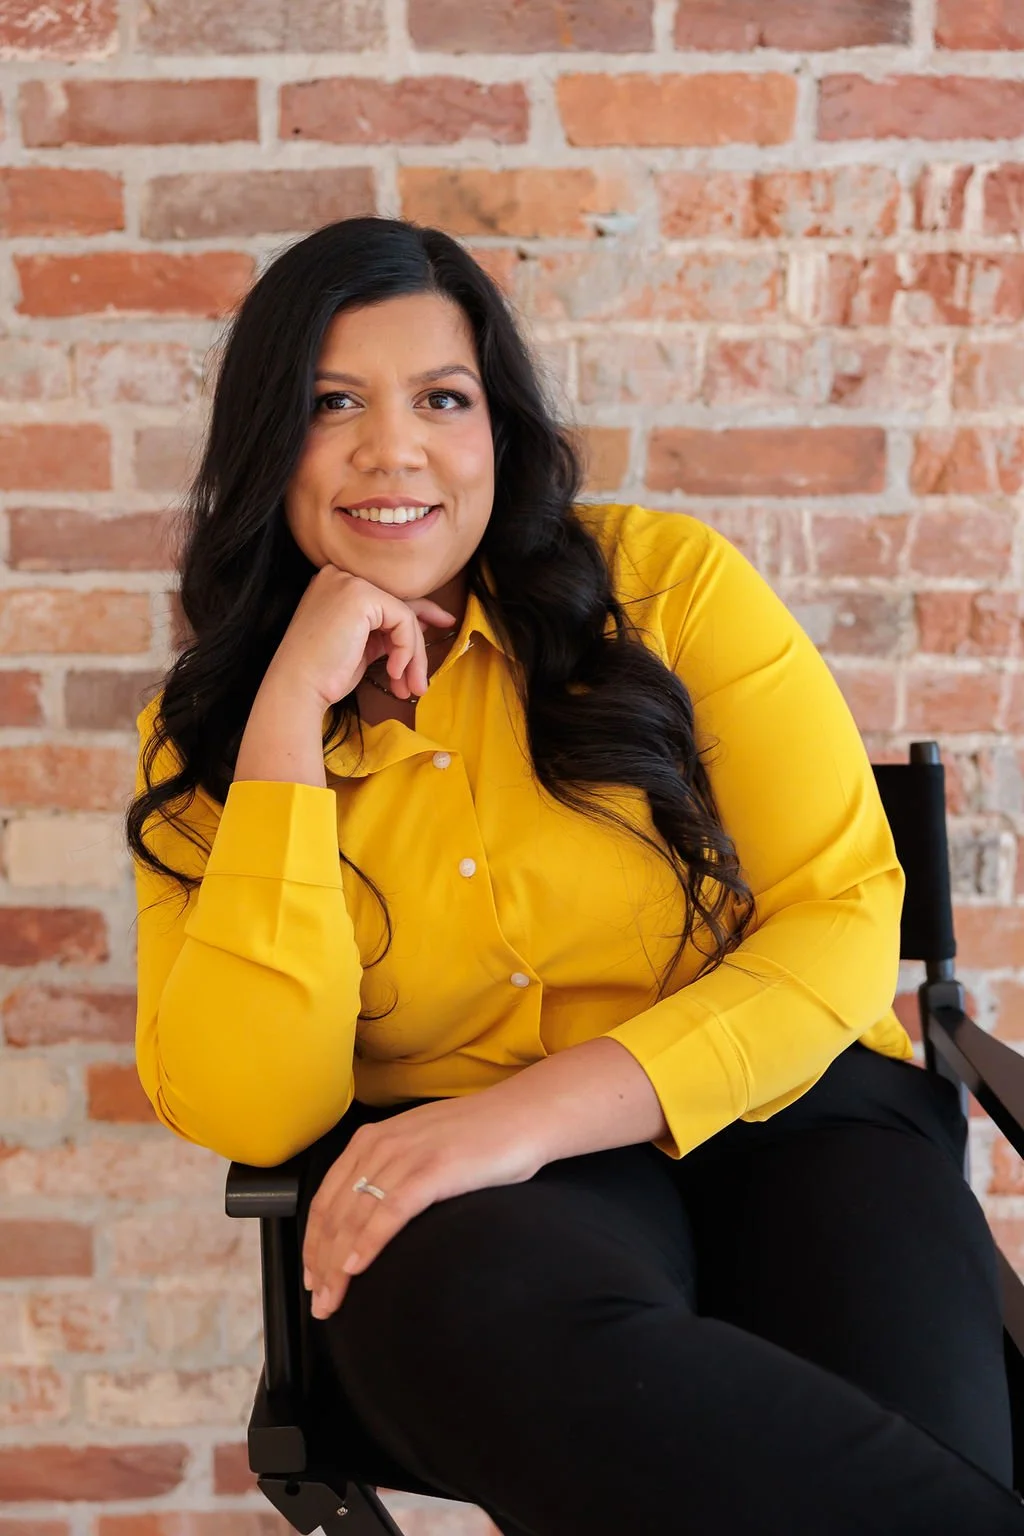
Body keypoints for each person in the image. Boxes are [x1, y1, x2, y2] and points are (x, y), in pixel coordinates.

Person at [127, 216, 1024, 1535]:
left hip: (792, 1114)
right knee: (528, 1348)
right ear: (267, 444)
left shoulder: (666, 589)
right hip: (478, 1203)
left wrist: (528, 1115)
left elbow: (840, 921)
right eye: (332, 405)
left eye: (443, 397)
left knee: (887, 1444)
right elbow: (257, 1111)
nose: (395, 449)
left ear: (500, 428)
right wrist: (282, 733)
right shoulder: (211, 735)